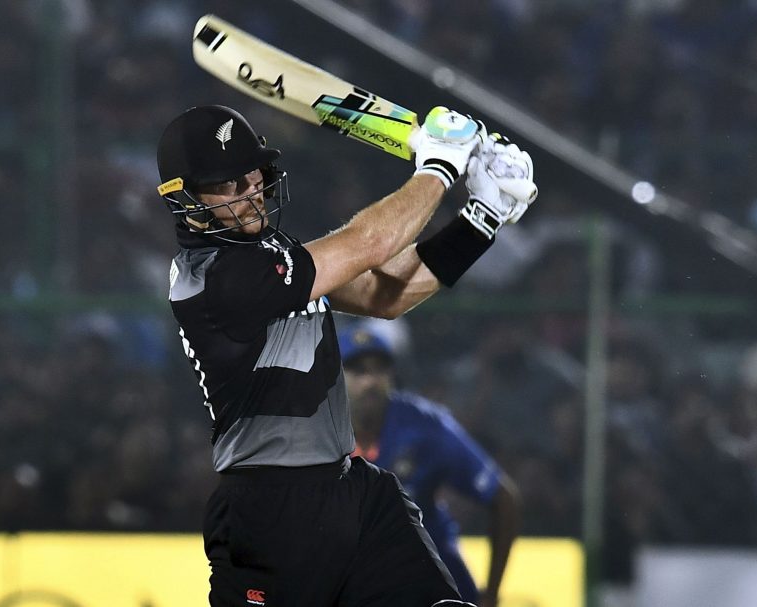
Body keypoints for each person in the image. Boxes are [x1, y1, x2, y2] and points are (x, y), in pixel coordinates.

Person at [156, 103, 536, 607]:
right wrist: (440, 166)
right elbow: (369, 242)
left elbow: (385, 294)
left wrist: (483, 216)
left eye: (253, 176)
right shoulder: (214, 280)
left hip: (354, 491)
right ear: (185, 198)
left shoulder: (271, 255)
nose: (251, 193)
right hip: (269, 512)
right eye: (228, 184)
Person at [338, 323, 521, 607]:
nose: (371, 381)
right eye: (358, 371)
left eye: (380, 369)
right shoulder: (314, 432)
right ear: (334, 377)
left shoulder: (424, 425)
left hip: (435, 587)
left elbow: (503, 498)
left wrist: (491, 594)